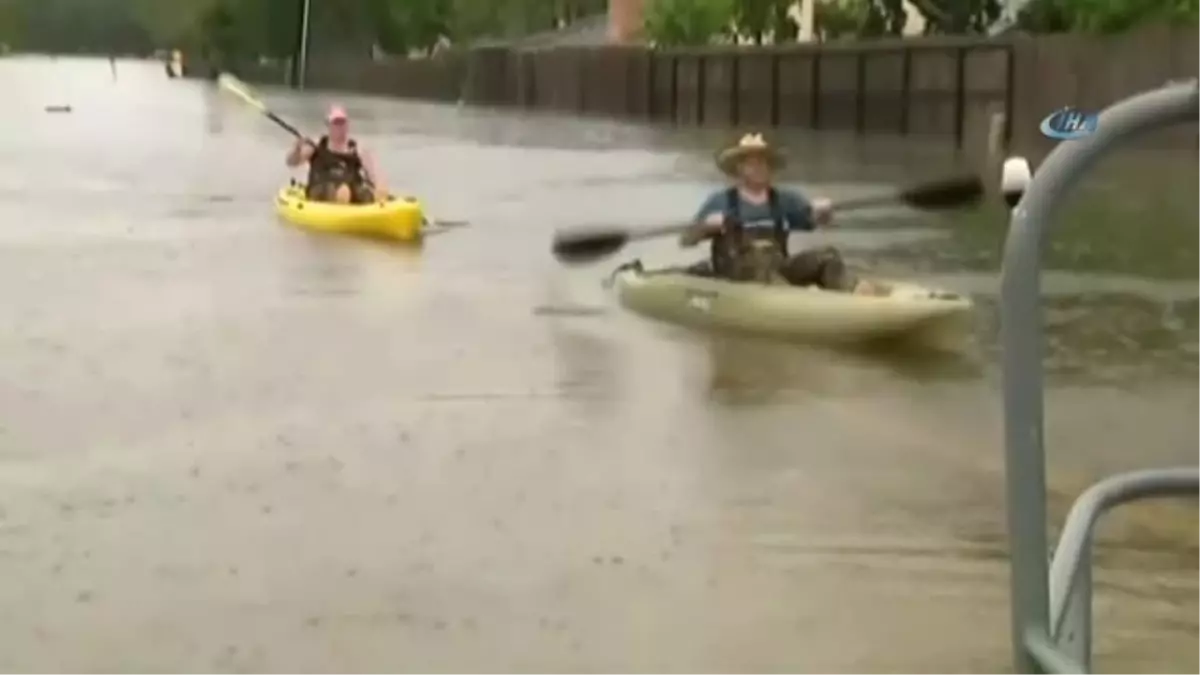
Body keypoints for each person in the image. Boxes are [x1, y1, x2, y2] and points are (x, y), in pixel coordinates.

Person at [680, 133, 873, 293]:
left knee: (828, 255)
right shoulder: (721, 201)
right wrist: (707, 226)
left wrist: (822, 212)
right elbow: (686, 240)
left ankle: (853, 291)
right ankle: (794, 301)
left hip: (778, 268)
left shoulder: (785, 200)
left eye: (764, 164)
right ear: (740, 168)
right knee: (759, 263)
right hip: (740, 276)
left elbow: (813, 220)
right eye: (752, 164)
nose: (759, 169)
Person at [285, 105, 386, 204]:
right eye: (336, 123)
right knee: (338, 190)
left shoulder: (358, 149)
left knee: (361, 192)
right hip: (321, 188)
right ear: (328, 125)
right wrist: (297, 149)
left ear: (347, 125)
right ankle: (341, 197)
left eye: (342, 123)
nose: (339, 127)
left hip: (351, 188)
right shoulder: (316, 145)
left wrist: (379, 186)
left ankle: (353, 199)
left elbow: (374, 174)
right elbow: (292, 163)